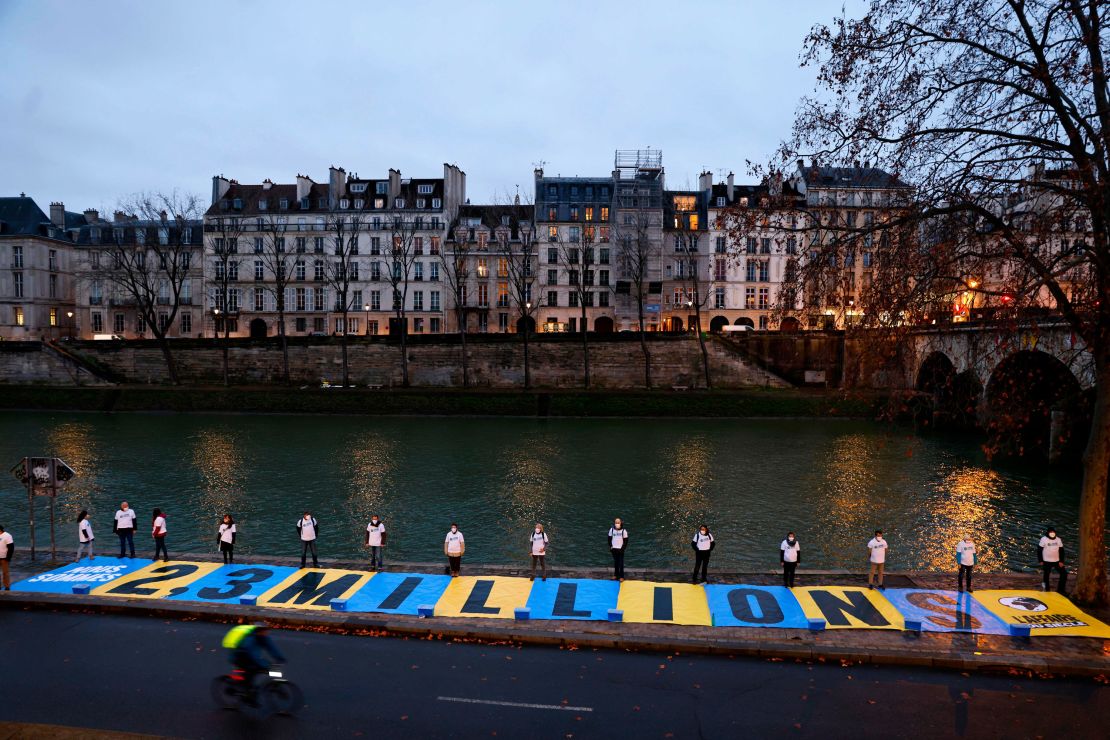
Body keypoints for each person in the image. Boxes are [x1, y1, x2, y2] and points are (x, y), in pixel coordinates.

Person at [223, 622, 286, 697]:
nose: (266, 632)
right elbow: (252, 655)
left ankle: (249, 689)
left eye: (266, 631)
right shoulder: (250, 639)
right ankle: (246, 692)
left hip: (251, 658)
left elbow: (272, 648)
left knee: (261, 668)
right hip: (239, 656)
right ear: (258, 631)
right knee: (252, 670)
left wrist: (280, 658)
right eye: (264, 631)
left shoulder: (264, 638)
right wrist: (264, 664)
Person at [1038, 526, 1067, 594]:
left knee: (1064, 574)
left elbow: (1061, 550)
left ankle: (1061, 590)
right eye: (1050, 532)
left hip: (1057, 561)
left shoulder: (1058, 539)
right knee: (1046, 576)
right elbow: (1039, 550)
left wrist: (1061, 561)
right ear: (1048, 533)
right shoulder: (1043, 539)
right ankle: (1046, 590)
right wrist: (1040, 560)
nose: (1052, 533)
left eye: (1053, 532)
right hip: (1046, 561)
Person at [0, 525, 13, 591]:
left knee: (5, 573)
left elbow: (11, 548)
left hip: (4, 558)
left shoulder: (7, 536)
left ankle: (7, 586)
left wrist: (8, 558)